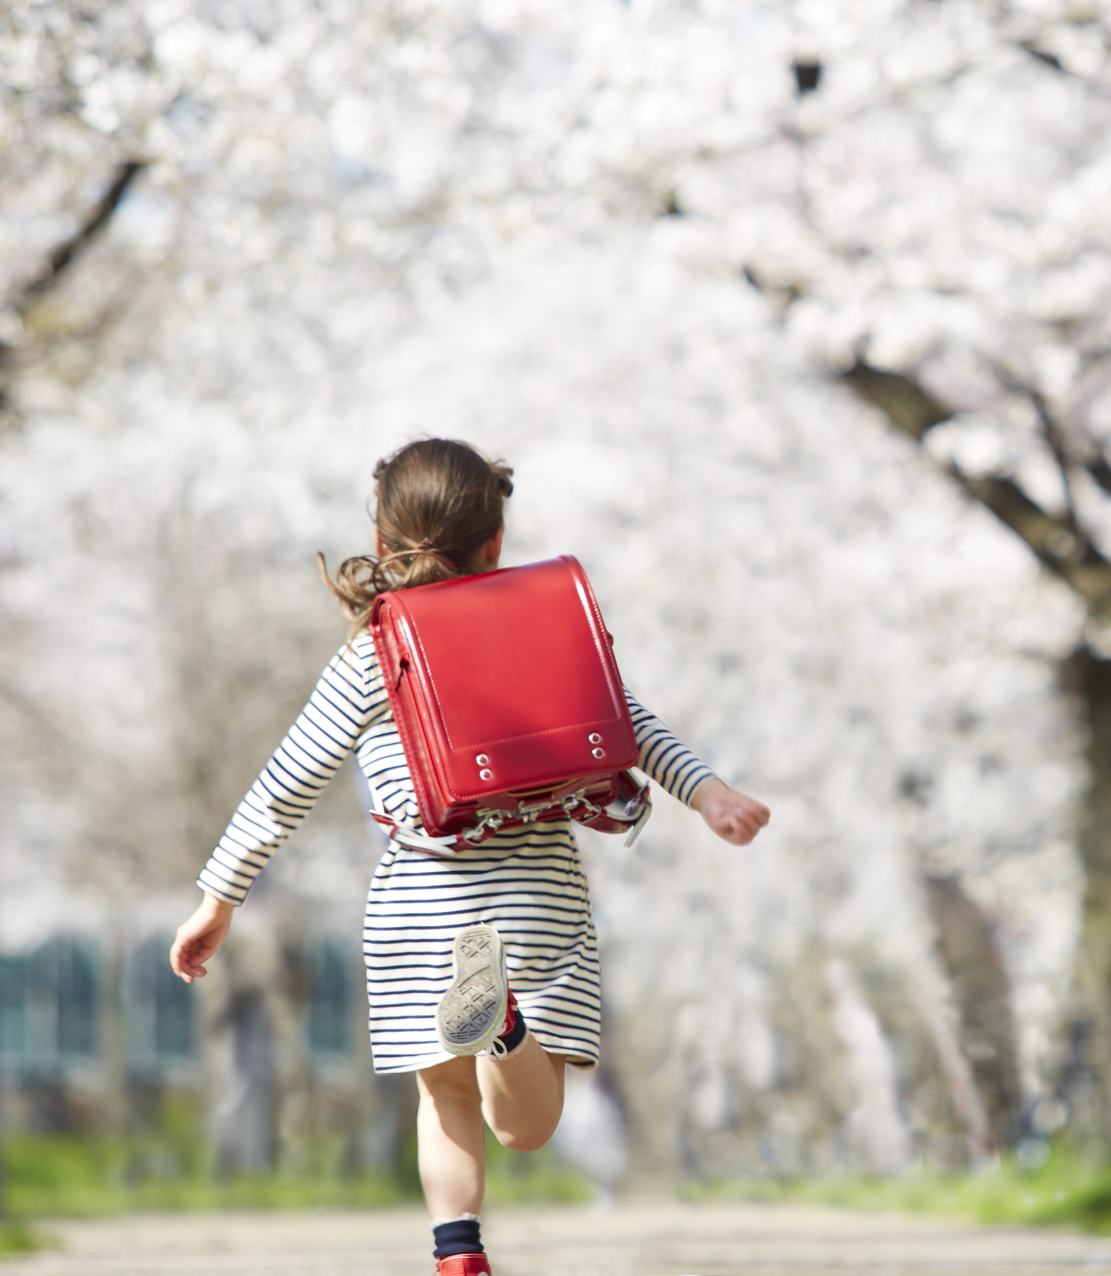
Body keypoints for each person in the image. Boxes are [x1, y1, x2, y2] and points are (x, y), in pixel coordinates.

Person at [168, 438, 770, 1276]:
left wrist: (218, 900)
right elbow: (629, 723)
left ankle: (457, 1255)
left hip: (419, 908)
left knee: (443, 1098)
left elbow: (285, 785)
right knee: (527, 1125)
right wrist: (710, 794)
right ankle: (507, 1028)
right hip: (535, 897)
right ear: (496, 541)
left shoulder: (371, 654)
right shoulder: (545, 627)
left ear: (382, 545)